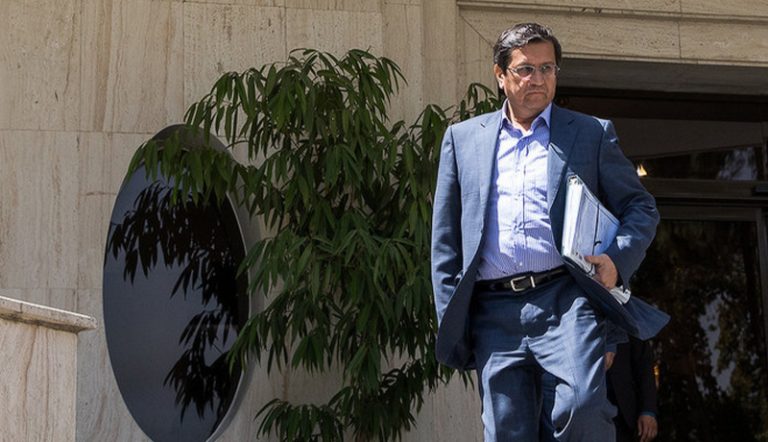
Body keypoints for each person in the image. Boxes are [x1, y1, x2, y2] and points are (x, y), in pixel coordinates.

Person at [430, 22, 661, 441]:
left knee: (583, 408)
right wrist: (452, 316)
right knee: (507, 431)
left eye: (547, 68)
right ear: (500, 75)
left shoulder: (590, 133)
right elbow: (445, 241)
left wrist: (617, 260)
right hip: (493, 310)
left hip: (566, 299)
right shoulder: (462, 141)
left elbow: (640, 207)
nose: (537, 78)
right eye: (525, 69)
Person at [608, 337, 659, 442]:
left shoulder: (627, 326)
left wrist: (648, 410)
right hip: (581, 416)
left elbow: (644, 363)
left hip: (624, 415)